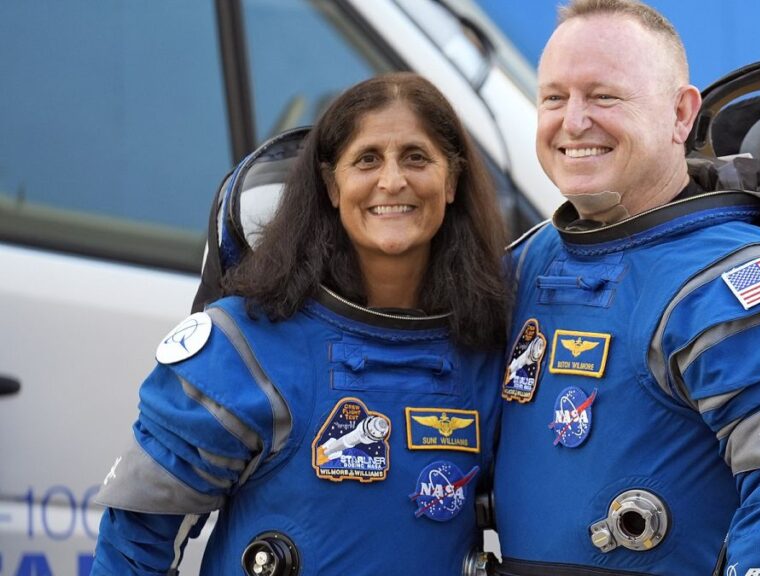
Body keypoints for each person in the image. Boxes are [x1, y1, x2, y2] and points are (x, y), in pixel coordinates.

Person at [91, 72, 509, 575]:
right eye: (367, 159)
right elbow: (135, 541)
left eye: (416, 157)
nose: (393, 181)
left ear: (452, 181)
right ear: (332, 185)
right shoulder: (245, 345)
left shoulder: (486, 348)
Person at [493, 2, 760, 575]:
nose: (573, 120)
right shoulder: (531, 259)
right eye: (554, 97)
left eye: (604, 96)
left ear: (681, 114)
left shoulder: (741, 283)